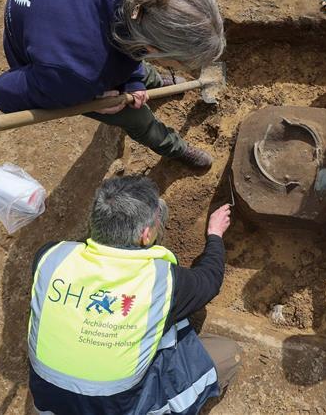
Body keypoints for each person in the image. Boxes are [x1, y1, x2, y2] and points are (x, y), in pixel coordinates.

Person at [27, 176, 240, 414]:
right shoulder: (163, 282)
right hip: (119, 408)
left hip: (49, 402)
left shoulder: (49, 257)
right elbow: (209, 280)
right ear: (146, 236)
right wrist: (215, 234)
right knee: (227, 354)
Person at [0, 0, 225, 168]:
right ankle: (173, 147)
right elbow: (2, 93)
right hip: (41, 46)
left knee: (134, 73)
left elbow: (128, 33)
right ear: (152, 48)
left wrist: (133, 81)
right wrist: (84, 98)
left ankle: (147, 80)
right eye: (180, 63)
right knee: (137, 118)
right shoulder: (79, 75)